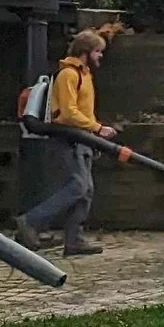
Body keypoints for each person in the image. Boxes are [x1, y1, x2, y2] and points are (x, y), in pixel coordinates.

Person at [17, 29, 116, 257]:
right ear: (85, 52)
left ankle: (74, 240)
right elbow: (68, 112)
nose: (100, 56)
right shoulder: (68, 75)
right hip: (68, 138)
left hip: (83, 139)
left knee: (86, 190)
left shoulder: (85, 74)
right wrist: (97, 128)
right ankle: (30, 221)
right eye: (98, 51)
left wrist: (94, 130)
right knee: (78, 186)